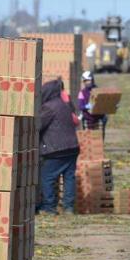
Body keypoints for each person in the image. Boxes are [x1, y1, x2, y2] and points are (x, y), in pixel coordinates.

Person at [37, 79, 80, 215]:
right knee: (69, 177)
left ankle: (49, 207)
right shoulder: (65, 105)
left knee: (47, 177)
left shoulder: (48, 107)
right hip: (72, 147)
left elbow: (37, 126)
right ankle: (69, 207)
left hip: (55, 149)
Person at [77, 70, 107, 137]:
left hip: (98, 118)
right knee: (89, 137)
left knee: (99, 137)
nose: (87, 82)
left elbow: (104, 102)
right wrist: (86, 106)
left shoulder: (98, 90)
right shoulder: (82, 93)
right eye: (85, 81)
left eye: (88, 80)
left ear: (92, 80)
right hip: (88, 119)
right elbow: (80, 106)